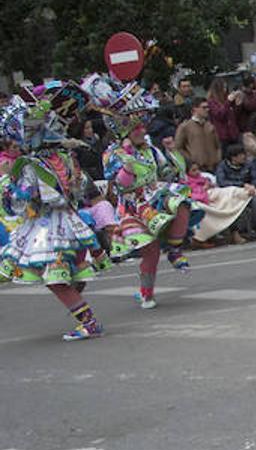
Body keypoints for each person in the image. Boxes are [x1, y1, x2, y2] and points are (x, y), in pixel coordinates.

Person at [0, 87, 111, 340]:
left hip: (47, 227)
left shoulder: (31, 166)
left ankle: (88, 321)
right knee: (69, 271)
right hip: (71, 221)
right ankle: (81, 310)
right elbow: (80, 188)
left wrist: (6, 181)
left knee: (54, 278)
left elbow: (21, 200)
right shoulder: (64, 157)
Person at [101, 84, 198, 309]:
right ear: (124, 132)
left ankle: (174, 249)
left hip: (154, 196)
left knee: (182, 201)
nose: (142, 131)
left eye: (142, 127)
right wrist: (128, 162)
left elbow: (167, 173)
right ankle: (146, 293)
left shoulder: (151, 150)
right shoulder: (113, 153)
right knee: (151, 251)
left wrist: (173, 154)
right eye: (136, 128)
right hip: (133, 206)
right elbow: (119, 184)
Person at [215, 143, 256, 240]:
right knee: (231, 202)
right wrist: (242, 185)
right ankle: (235, 233)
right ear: (233, 157)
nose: (244, 157)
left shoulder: (249, 164)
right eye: (241, 155)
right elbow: (222, 182)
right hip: (233, 194)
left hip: (249, 193)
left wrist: (253, 185)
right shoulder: (222, 166)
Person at [174, 98, 222, 170]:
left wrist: (218, 159)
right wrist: (191, 160)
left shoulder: (210, 126)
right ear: (195, 109)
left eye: (208, 107)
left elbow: (218, 145)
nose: (207, 110)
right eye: (204, 107)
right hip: (197, 168)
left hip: (214, 167)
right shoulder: (185, 126)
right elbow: (178, 147)